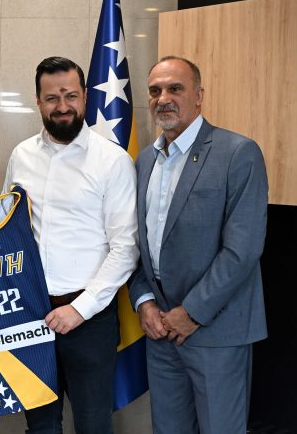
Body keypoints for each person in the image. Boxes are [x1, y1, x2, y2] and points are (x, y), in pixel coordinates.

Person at [128, 56, 268, 434]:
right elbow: (136, 244)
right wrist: (144, 302)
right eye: (155, 91)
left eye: (175, 88)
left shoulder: (238, 153)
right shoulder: (144, 161)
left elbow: (242, 250)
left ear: (199, 95)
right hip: (160, 331)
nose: (163, 98)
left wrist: (191, 312)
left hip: (216, 331)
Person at [1, 56, 138, 434]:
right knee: (40, 426)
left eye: (70, 96)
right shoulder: (21, 155)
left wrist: (79, 309)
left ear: (85, 97)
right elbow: (7, 227)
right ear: (38, 100)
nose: (62, 106)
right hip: (31, 315)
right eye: (52, 98)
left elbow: (125, 248)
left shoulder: (112, 161)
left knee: (93, 425)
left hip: (89, 321)